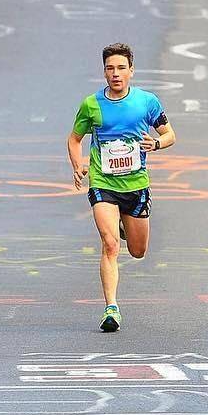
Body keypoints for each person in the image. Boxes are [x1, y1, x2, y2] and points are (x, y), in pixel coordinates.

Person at [67, 42, 176, 332]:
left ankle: (126, 226)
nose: (115, 74)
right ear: (104, 72)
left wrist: (155, 143)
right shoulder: (92, 105)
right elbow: (75, 139)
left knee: (138, 251)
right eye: (110, 68)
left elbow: (169, 135)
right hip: (103, 182)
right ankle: (111, 308)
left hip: (136, 184)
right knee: (110, 244)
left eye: (121, 68)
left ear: (131, 71)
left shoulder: (147, 102)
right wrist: (78, 165)